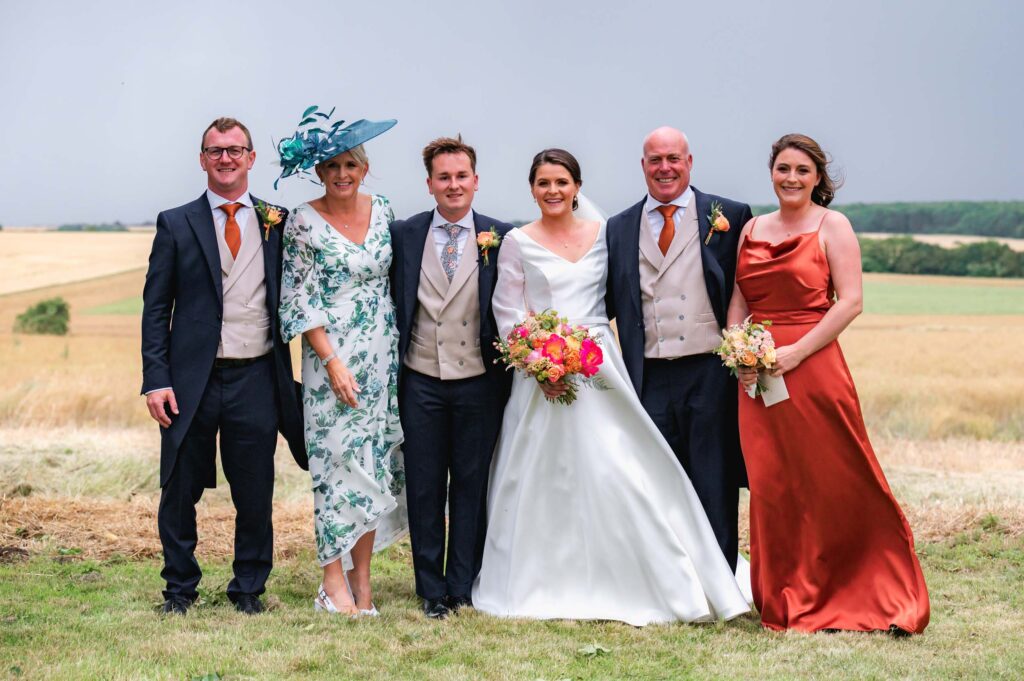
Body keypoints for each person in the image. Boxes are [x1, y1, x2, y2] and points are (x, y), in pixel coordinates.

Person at [472, 149, 751, 626]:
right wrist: (539, 360)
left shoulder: (607, 235)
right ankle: (545, 576)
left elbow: (630, 290)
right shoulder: (517, 241)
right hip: (541, 374)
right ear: (532, 189)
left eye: (561, 181)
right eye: (543, 183)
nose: (553, 191)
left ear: (578, 186)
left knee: (620, 469)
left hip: (600, 365)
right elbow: (507, 312)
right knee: (543, 475)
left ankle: (649, 572)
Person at [727, 133, 929, 633]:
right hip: (758, 380)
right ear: (770, 174)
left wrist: (796, 352)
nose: (791, 178)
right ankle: (787, 597)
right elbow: (738, 299)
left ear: (818, 178)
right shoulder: (751, 227)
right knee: (775, 485)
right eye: (782, 169)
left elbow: (850, 301)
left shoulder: (832, 225)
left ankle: (868, 587)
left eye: (801, 170)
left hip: (813, 367)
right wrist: (739, 355)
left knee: (835, 477)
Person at [142, 117, 306, 616]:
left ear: (252, 158)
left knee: (254, 489)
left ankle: (249, 589)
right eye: (216, 151)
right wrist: (156, 380)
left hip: (257, 373)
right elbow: (155, 308)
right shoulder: (176, 222)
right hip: (191, 381)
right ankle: (179, 589)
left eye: (236, 150)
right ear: (202, 159)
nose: (226, 159)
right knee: (179, 488)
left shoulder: (279, 221)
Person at [277, 109, 407, 617]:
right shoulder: (302, 221)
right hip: (330, 361)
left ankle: (364, 585)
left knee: (371, 466)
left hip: (381, 355)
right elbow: (299, 299)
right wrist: (331, 361)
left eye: (350, 165)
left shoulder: (387, 211)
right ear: (319, 172)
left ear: (364, 168)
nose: (342, 174)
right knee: (335, 464)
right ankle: (332, 583)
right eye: (331, 166)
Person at [605, 127, 752, 571]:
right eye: (655, 160)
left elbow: (749, 289)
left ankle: (721, 578)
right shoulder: (619, 226)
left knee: (714, 478)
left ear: (690, 162)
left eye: (673, 158)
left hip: (710, 370)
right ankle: (671, 580)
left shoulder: (730, 215)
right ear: (643, 166)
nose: (664, 168)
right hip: (648, 372)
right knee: (658, 480)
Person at [389, 136, 514, 619]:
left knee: (470, 484)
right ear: (430, 184)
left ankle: (463, 584)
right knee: (423, 486)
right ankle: (430, 588)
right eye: (444, 177)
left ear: (476, 181)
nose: (454, 185)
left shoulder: (501, 236)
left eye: (462, 176)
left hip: (479, 380)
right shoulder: (405, 234)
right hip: (419, 377)